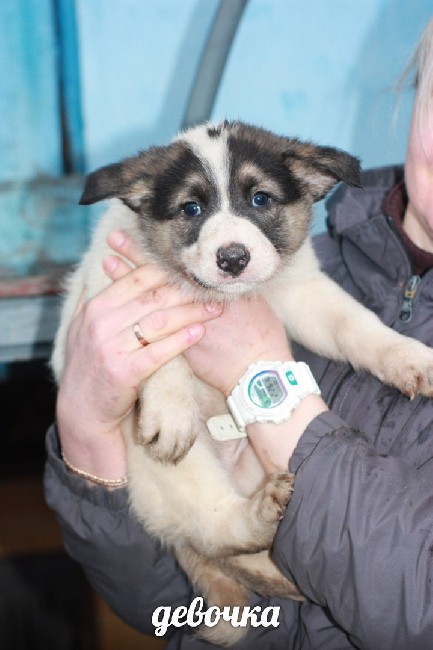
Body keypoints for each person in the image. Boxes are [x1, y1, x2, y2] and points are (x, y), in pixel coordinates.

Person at [44, 18, 433, 650]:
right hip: (179, 483)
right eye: (193, 209)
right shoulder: (137, 236)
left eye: (259, 201)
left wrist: (273, 376)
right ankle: (219, 554)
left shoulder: (296, 264)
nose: (230, 244)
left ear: (312, 185)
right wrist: (86, 425)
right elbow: (157, 608)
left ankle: (228, 548)